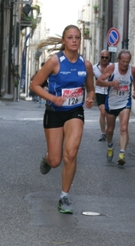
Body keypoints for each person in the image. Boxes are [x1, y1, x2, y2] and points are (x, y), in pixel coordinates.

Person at [29, 25, 95, 214]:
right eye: (70, 37)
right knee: (56, 160)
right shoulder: (54, 62)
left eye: (77, 37)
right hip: (54, 112)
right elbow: (35, 85)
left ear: (80, 40)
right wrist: (52, 98)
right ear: (64, 41)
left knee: (71, 154)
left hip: (75, 111)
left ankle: (64, 196)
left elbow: (90, 88)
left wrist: (90, 98)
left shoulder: (86, 64)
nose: (74, 40)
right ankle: (48, 159)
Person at [96, 49, 135, 165]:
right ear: (118, 60)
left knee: (124, 128)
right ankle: (110, 146)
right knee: (110, 129)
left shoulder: (132, 70)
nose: (125, 64)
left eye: (127, 62)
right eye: (123, 61)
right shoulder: (111, 69)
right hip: (111, 102)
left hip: (125, 103)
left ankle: (122, 153)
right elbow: (98, 82)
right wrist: (111, 84)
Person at [93, 50, 111, 141]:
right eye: (102, 57)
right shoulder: (94, 68)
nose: (104, 59)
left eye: (106, 57)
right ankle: (103, 133)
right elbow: (88, 79)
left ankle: (109, 130)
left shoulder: (113, 67)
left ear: (109, 58)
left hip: (110, 92)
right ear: (100, 57)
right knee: (103, 112)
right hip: (99, 91)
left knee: (109, 114)